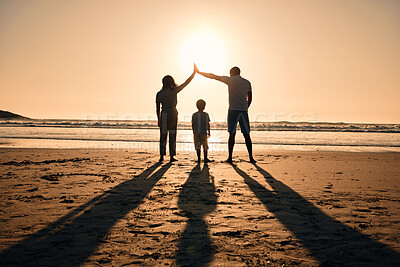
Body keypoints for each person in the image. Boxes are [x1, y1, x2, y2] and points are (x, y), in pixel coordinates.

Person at [196, 65, 256, 163]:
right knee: (246, 135)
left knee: (232, 134)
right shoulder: (247, 82)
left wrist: (199, 72)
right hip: (243, 111)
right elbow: (250, 97)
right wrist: (246, 107)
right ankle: (251, 157)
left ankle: (230, 157)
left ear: (232, 73)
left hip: (233, 110)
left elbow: (213, 76)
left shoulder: (230, 80)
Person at [156, 64, 197, 162]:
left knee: (163, 135)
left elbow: (157, 108)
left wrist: (159, 119)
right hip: (172, 112)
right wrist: (194, 73)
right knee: (172, 134)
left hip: (164, 112)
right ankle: (171, 156)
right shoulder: (174, 91)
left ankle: (162, 156)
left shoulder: (159, 93)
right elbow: (185, 83)